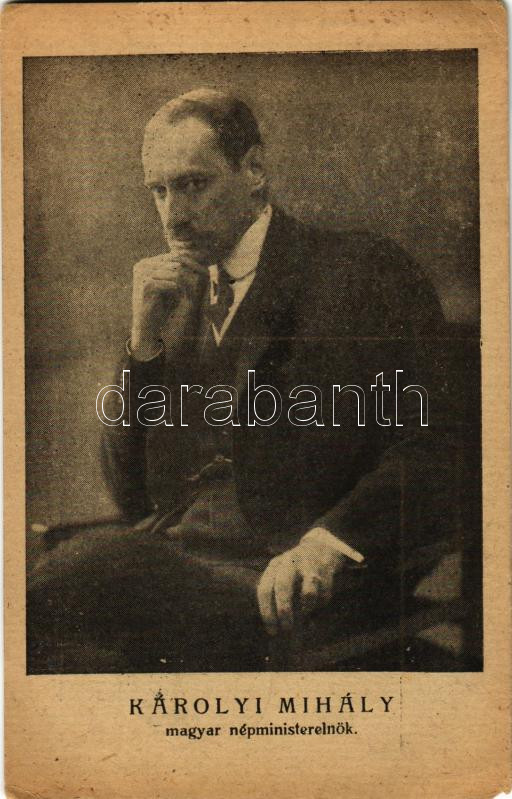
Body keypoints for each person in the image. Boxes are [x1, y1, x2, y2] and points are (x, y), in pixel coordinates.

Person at [27, 88, 462, 673]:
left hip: (291, 583)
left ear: (254, 170)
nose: (174, 215)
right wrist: (141, 349)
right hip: (181, 565)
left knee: (64, 592)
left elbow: (436, 448)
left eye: (193, 184)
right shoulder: (174, 299)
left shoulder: (360, 271)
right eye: (160, 191)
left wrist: (327, 545)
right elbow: (130, 496)